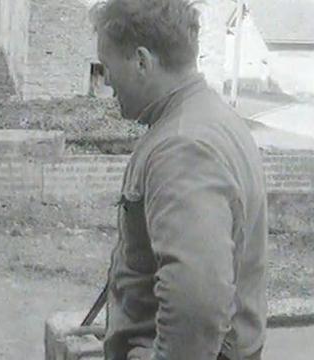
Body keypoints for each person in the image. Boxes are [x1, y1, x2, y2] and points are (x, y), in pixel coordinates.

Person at [89, 1, 267, 359]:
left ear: (141, 61)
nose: (107, 83)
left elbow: (198, 299)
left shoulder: (182, 146)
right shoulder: (209, 117)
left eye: (108, 67)